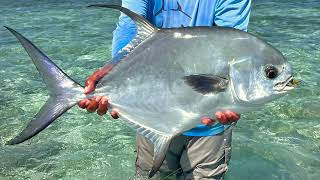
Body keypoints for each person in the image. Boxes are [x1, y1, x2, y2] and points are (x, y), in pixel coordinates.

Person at [79, 0, 251, 179]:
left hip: (208, 123)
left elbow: (232, 44)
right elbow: (131, 27)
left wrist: (233, 97)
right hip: (153, 116)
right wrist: (114, 69)